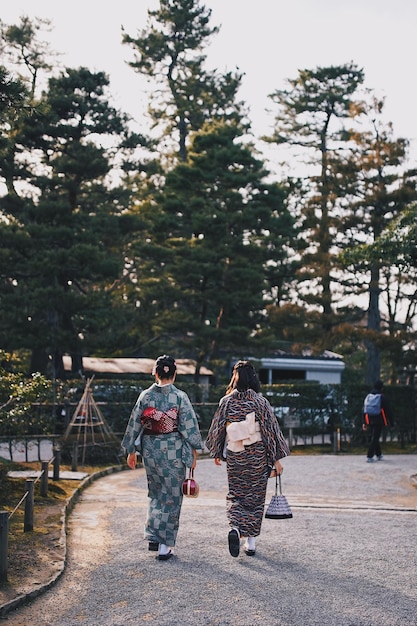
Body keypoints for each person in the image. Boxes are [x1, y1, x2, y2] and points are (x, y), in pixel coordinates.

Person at [122, 354, 203, 561]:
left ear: (155, 373)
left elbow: (134, 424)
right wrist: (194, 451)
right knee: (173, 496)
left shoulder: (145, 396)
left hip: (151, 450)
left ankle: (154, 536)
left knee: (156, 493)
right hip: (173, 451)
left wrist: (131, 450)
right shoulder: (179, 397)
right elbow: (189, 427)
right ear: (174, 374)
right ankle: (165, 545)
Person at [205, 360, 290, 558]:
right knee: (256, 497)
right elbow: (270, 431)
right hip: (257, 456)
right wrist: (276, 459)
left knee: (236, 493)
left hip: (236, 455)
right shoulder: (260, 402)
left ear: (234, 378)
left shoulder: (226, 401)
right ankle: (250, 543)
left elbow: (217, 428)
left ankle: (235, 527)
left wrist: (217, 451)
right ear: (253, 378)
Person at [362, 379, 394, 463]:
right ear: (381, 387)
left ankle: (379, 454)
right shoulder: (382, 397)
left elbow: (364, 409)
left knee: (374, 437)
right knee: (375, 438)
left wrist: (364, 422)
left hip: (369, 419)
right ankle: (369, 456)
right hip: (379, 419)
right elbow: (388, 410)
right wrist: (392, 423)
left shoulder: (368, 396)